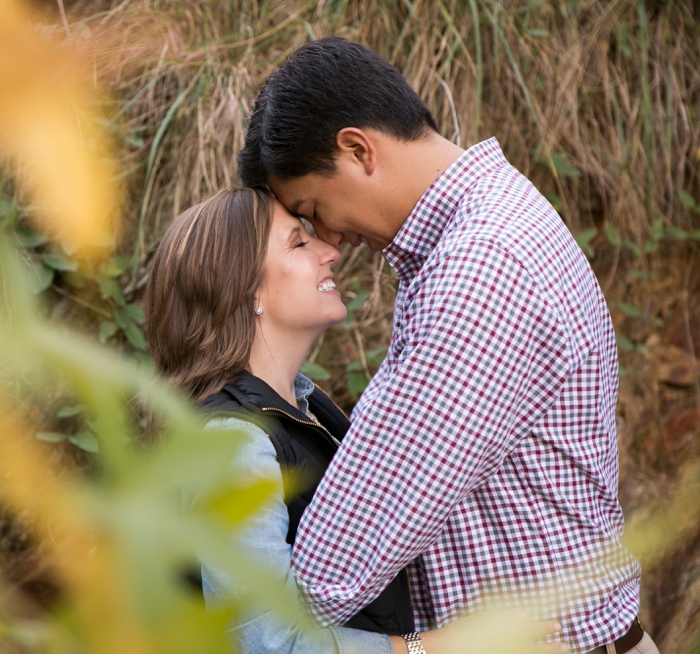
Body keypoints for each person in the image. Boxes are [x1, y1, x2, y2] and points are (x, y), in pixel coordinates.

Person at [237, 37, 654, 654]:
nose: (329, 237)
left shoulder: (480, 270)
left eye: (312, 209)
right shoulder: (484, 231)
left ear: (357, 149)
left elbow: (331, 572)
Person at [144, 187, 563, 654]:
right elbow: (266, 643)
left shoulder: (306, 408)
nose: (330, 252)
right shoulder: (234, 440)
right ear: (245, 290)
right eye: (299, 243)